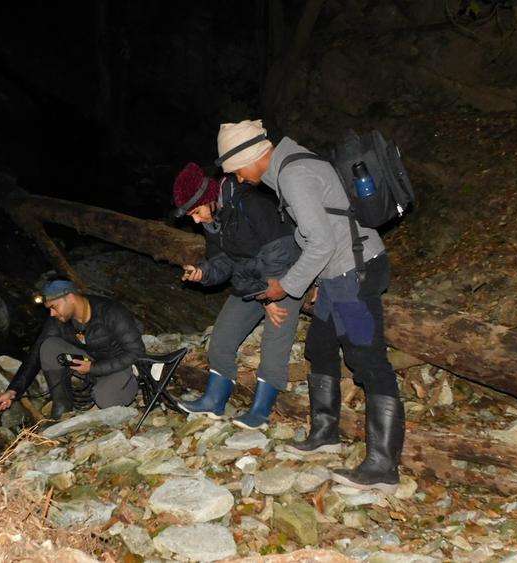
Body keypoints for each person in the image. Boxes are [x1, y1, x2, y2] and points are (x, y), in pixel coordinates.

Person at [213, 119, 404, 493]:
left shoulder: (293, 176)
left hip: (353, 274)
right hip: (337, 277)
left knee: (368, 360)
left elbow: (320, 242)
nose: (237, 179)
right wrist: (317, 282)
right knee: (319, 347)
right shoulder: (293, 165)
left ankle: (383, 466)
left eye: (235, 171)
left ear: (251, 157)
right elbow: (327, 229)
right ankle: (324, 433)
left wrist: (286, 286)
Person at [172, 162, 302, 431]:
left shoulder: (249, 203)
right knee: (221, 338)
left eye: (196, 212)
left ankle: (261, 411)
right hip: (252, 283)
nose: (195, 220)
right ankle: (214, 400)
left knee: (274, 340)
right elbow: (224, 263)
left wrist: (271, 297)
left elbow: (280, 251)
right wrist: (202, 272)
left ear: (209, 200)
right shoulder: (215, 221)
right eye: (191, 216)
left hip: (287, 275)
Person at [0, 278, 145, 419]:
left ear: (71, 298)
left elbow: (136, 352)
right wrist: (14, 390)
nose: (51, 314)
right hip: (90, 359)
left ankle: (129, 384)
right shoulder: (58, 320)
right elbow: (36, 354)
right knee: (48, 346)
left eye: (54, 307)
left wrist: (94, 368)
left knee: (105, 400)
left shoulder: (110, 311)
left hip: (120, 364)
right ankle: (62, 405)